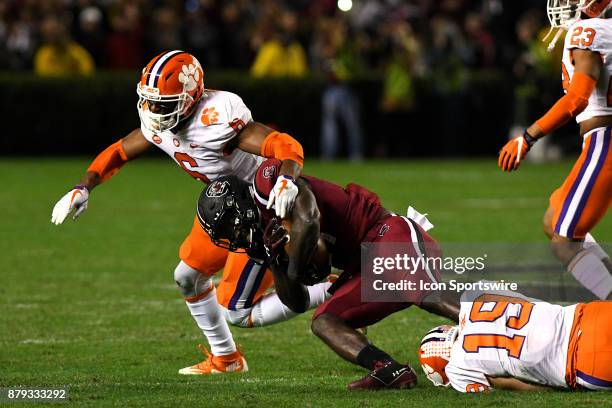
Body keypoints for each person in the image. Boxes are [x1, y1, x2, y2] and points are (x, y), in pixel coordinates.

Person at [50, 50, 312, 375]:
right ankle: (226, 359)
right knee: (187, 277)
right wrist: (84, 186)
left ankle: (329, 286)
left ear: (189, 98)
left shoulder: (216, 118)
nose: (153, 109)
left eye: (162, 103)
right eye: (149, 100)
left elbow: (285, 145)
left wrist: (286, 178)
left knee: (238, 311)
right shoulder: (160, 117)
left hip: (263, 211)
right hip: (226, 210)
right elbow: (120, 150)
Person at [196, 160, 459, 390]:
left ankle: (492, 317)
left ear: (241, 206)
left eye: (230, 227)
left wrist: (295, 269)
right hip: (361, 269)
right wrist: (277, 263)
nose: (234, 237)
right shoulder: (263, 241)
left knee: (421, 291)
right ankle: (388, 369)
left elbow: (309, 219)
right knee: (324, 321)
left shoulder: (268, 187)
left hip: (384, 233)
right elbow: (296, 303)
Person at [498, 0, 612, 300]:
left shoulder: (590, 31)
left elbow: (577, 99)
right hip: (600, 140)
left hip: (606, 140)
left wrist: (527, 137)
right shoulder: (600, 30)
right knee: (554, 219)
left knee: (565, 241)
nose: (565, 3)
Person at [419, 290, 612, 392]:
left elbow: (516, 385)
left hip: (582, 362)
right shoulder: (472, 301)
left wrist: (551, 385)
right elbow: (523, 302)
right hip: (587, 315)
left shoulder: (457, 369)